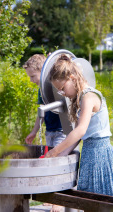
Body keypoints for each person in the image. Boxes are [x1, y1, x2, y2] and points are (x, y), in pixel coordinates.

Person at [45, 54, 113, 198]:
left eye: (62, 88)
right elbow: (79, 136)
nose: (62, 93)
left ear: (72, 78)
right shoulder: (81, 98)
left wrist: (55, 150)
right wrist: (62, 154)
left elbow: (80, 130)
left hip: (100, 155)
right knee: (90, 201)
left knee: (103, 202)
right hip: (90, 154)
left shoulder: (88, 97)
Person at [23, 54, 66, 212]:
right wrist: (34, 131)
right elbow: (40, 113)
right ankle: (51, 196)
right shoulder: (42, 89)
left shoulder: (55, 85)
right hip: (50, 131)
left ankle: (60, 200)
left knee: (59, 163)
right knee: (50, 163)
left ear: (43, 70)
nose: (31, 80)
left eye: (32, 76)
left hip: (62, 130)